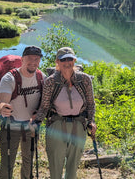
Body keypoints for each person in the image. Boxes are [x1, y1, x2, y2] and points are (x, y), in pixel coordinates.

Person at [32, 47, 97, 179]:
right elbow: (44, 106)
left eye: (70, 59)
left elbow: (91, 104)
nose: (67, 62)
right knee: (56, 163)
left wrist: (91, 121)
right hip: (57, 124)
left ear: (74, 60)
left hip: (78, 125)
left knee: (73, 165)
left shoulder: (84, 80)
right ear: (57, 62)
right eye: (63, 60)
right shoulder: (51, 81)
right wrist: (37, 122)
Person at [0, 45, 46, 179]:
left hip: (30, 126)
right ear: (22, 59)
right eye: (30, 58)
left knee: (28, 161)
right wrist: (3, 108)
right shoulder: (10, 78)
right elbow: (3, 101)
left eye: (36, 59)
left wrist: (37, 118)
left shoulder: (42, 77)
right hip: (11, 125)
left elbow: (44, 104)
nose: (33, 62)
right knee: (7, 162)